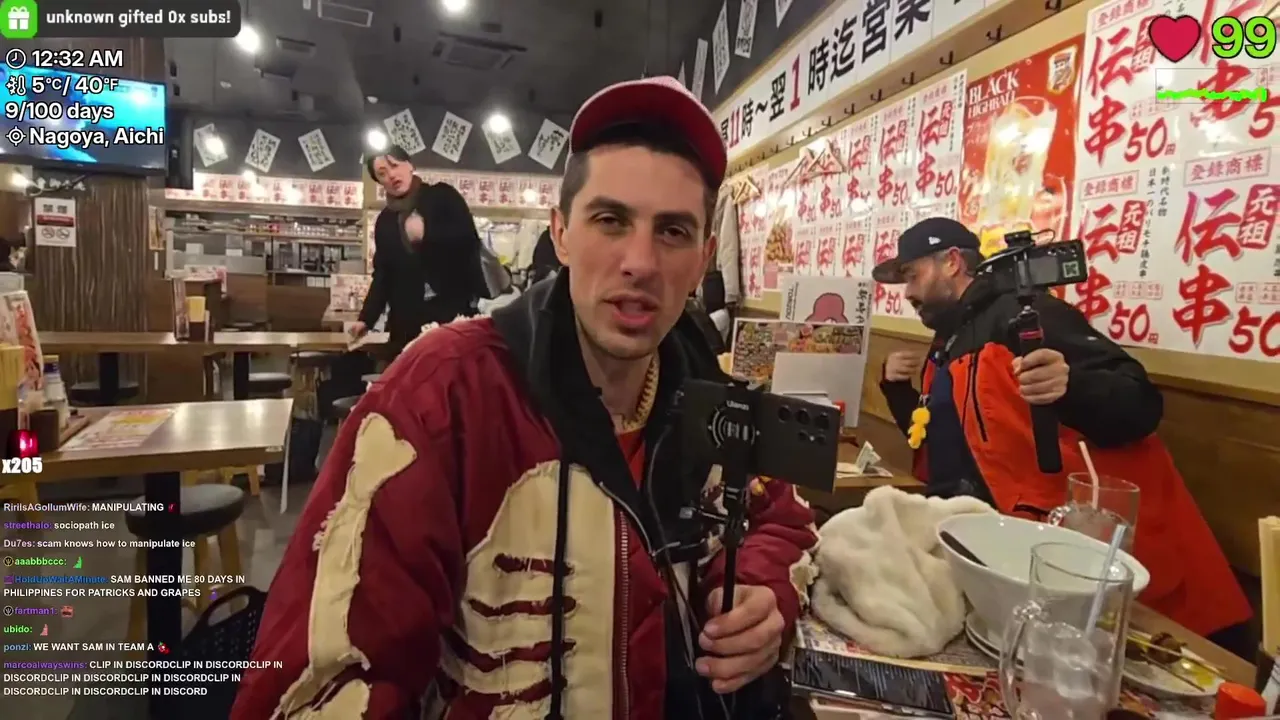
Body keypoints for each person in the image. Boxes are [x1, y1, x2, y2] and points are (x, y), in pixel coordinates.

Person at [231, 76, 818, 720]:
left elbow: (781, 518)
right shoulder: (443, 397)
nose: (641, 262)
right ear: (560, 234)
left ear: (705, 258)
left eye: (673, 232)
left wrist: (762, 590)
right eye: (610, 220)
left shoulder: (711, 396)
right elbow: (325, 675)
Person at [873, 217, 1251, 651]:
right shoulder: (950, 339)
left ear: (952, 262)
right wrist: (896, 389)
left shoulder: (1027, 314)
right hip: (1000, 559)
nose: (907, 292)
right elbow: (939, 438)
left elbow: (1140, 403)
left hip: (1085, 575)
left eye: (912, 275)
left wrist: (1071, 385)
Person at [350, 146, 490, 357]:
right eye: (382, 173)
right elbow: (383, 275)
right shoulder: (385, 221)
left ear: (410, 165)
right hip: (406, 322)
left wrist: (428, 234)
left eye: (394, 166)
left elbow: (468, 241)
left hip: (452, 316)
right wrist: (366, 319)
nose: (391, 175)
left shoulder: (443, 196)